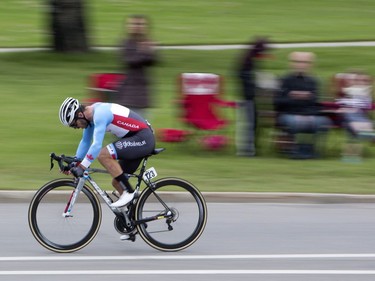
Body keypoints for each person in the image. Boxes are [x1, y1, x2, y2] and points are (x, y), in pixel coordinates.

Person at [58, 97, 155, 223]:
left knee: (103, 154)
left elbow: (96, 145)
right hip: (134, 139)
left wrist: (82, 167)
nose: (76, 127)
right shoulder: (90, 118)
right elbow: (86, 142)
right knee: (117, 182)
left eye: (74, 124)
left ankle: (129, 192)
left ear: (80, 114)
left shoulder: (100, 114)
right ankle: (131, 221)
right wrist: (74, 163)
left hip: (143, 138)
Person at [274, 51, 331, 159]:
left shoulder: (313, 81)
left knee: (324, 122)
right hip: (289, 114)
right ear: (291, 63)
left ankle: (310, 150)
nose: (301, 65)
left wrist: (307, 100)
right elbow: (277, 102)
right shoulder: (284, 80)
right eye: (297, 62)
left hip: (310, 114)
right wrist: (293, 97)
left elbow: (315, 102)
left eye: (305, 62)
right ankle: (295, 149)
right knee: (294, 122)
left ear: (311, 65)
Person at [115, 14, 157, 117]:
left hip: (142, 89)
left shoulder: (146, 42)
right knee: (126, 123)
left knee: (142, 124)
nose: (137, 26)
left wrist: (149, 51)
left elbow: (152, 60)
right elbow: (129, 60)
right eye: (134, 24)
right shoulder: (125, 43)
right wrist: (144, 51)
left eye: (141, 24)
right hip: (128, 90)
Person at [236, 37, 270, 157]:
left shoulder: (248, 60)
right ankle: (247, 150)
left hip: (248, 97)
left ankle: (250, 148)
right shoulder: (249, 63)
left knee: (250, 123)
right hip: (248, 98)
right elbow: (248, 81)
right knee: (250, 124)